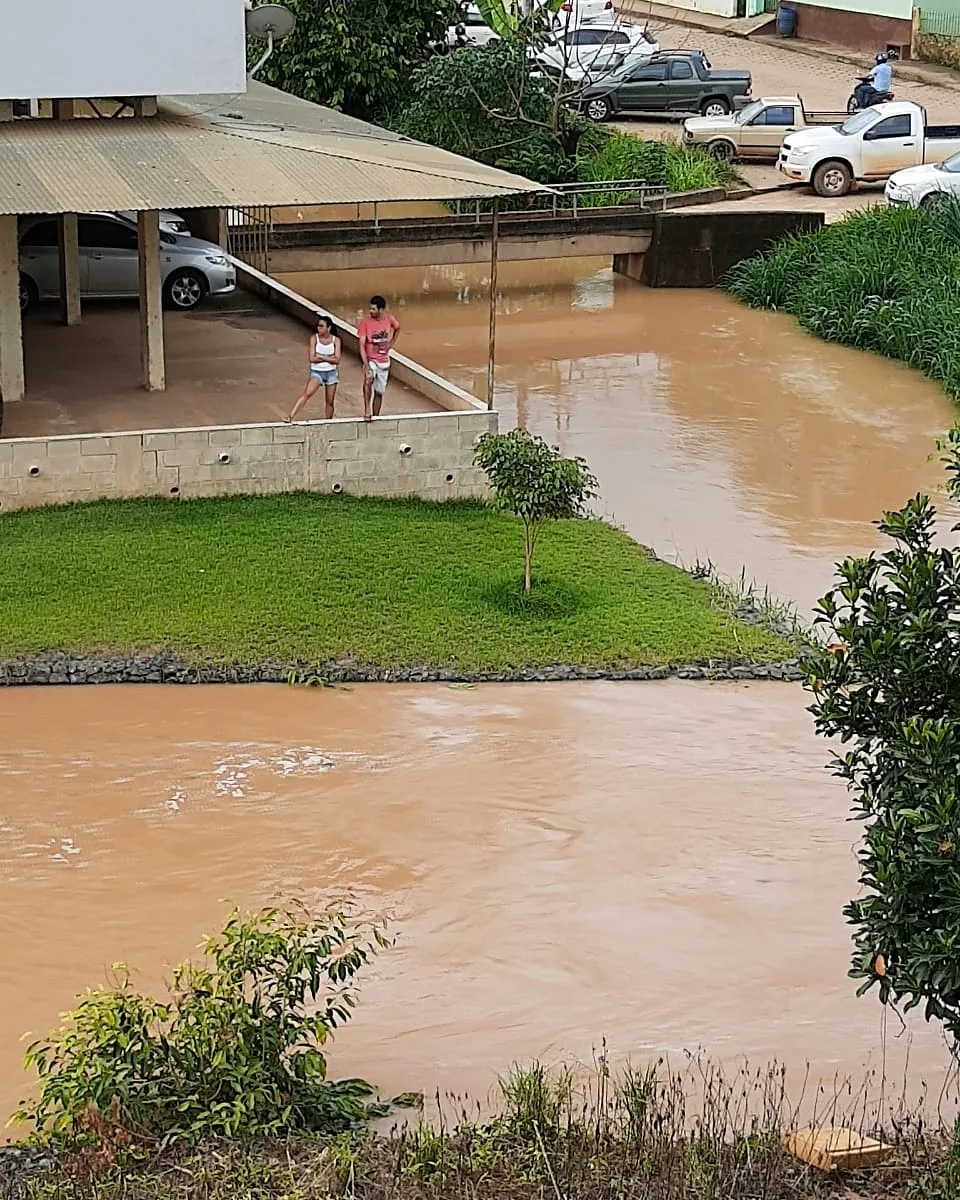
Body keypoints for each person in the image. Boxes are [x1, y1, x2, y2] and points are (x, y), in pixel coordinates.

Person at [286, 314, 341, 422]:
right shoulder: (314, 338)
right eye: (318, 326)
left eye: (321, 326)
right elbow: (312, 358)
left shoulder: (336, 340)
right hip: (317, 372)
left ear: (328, 328)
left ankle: (328, 422)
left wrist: (320, 356)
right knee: (307, 393)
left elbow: (337, 360)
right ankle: (291, 416)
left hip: (331, 373)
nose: (319, 328)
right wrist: (329, 358)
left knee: (330, 401)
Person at [357, 295, 400, 420]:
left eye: (373, 309)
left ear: (381, 310)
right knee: (368, 380)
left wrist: (391, 344)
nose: (371, 311)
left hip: (384, 361)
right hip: (371, 359)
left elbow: (397, 328)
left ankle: (376, 416)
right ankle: (367, 409)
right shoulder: (365, 322)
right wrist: (365, 363)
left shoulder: (389, 319)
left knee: (379, 392)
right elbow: (361, 344)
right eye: (370, 309)